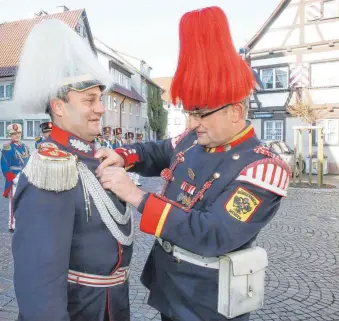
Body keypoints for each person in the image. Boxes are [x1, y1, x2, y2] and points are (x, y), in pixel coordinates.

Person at [94, 6, 291, 321]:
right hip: (169, 285)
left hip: (208, 300)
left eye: (200, 113)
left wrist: (137, 197)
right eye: (189, 111)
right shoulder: (192, 138)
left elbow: (213, 234)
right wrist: (123, 154)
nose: (191, 122)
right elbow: (158, 151)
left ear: (235, 112)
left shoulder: (263, 170)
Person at [11, 19, 133, 321]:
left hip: (111, 307)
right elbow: (39, 280)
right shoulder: (51, 170)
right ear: (60, 106)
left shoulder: (94, 157)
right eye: (90, 100)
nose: (101, 108)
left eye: (100, 99)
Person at [0, 123, 30, 232]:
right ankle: (12, 224)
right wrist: (12, 178)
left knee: (25, 201)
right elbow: (4, 165)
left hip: (25, 176)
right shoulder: (8, 148)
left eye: (18, 133)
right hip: (15, 178)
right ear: (10, 135)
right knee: (14, 202)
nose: (17, 135)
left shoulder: (25, 147)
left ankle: (23, 222)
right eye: (14, 134)